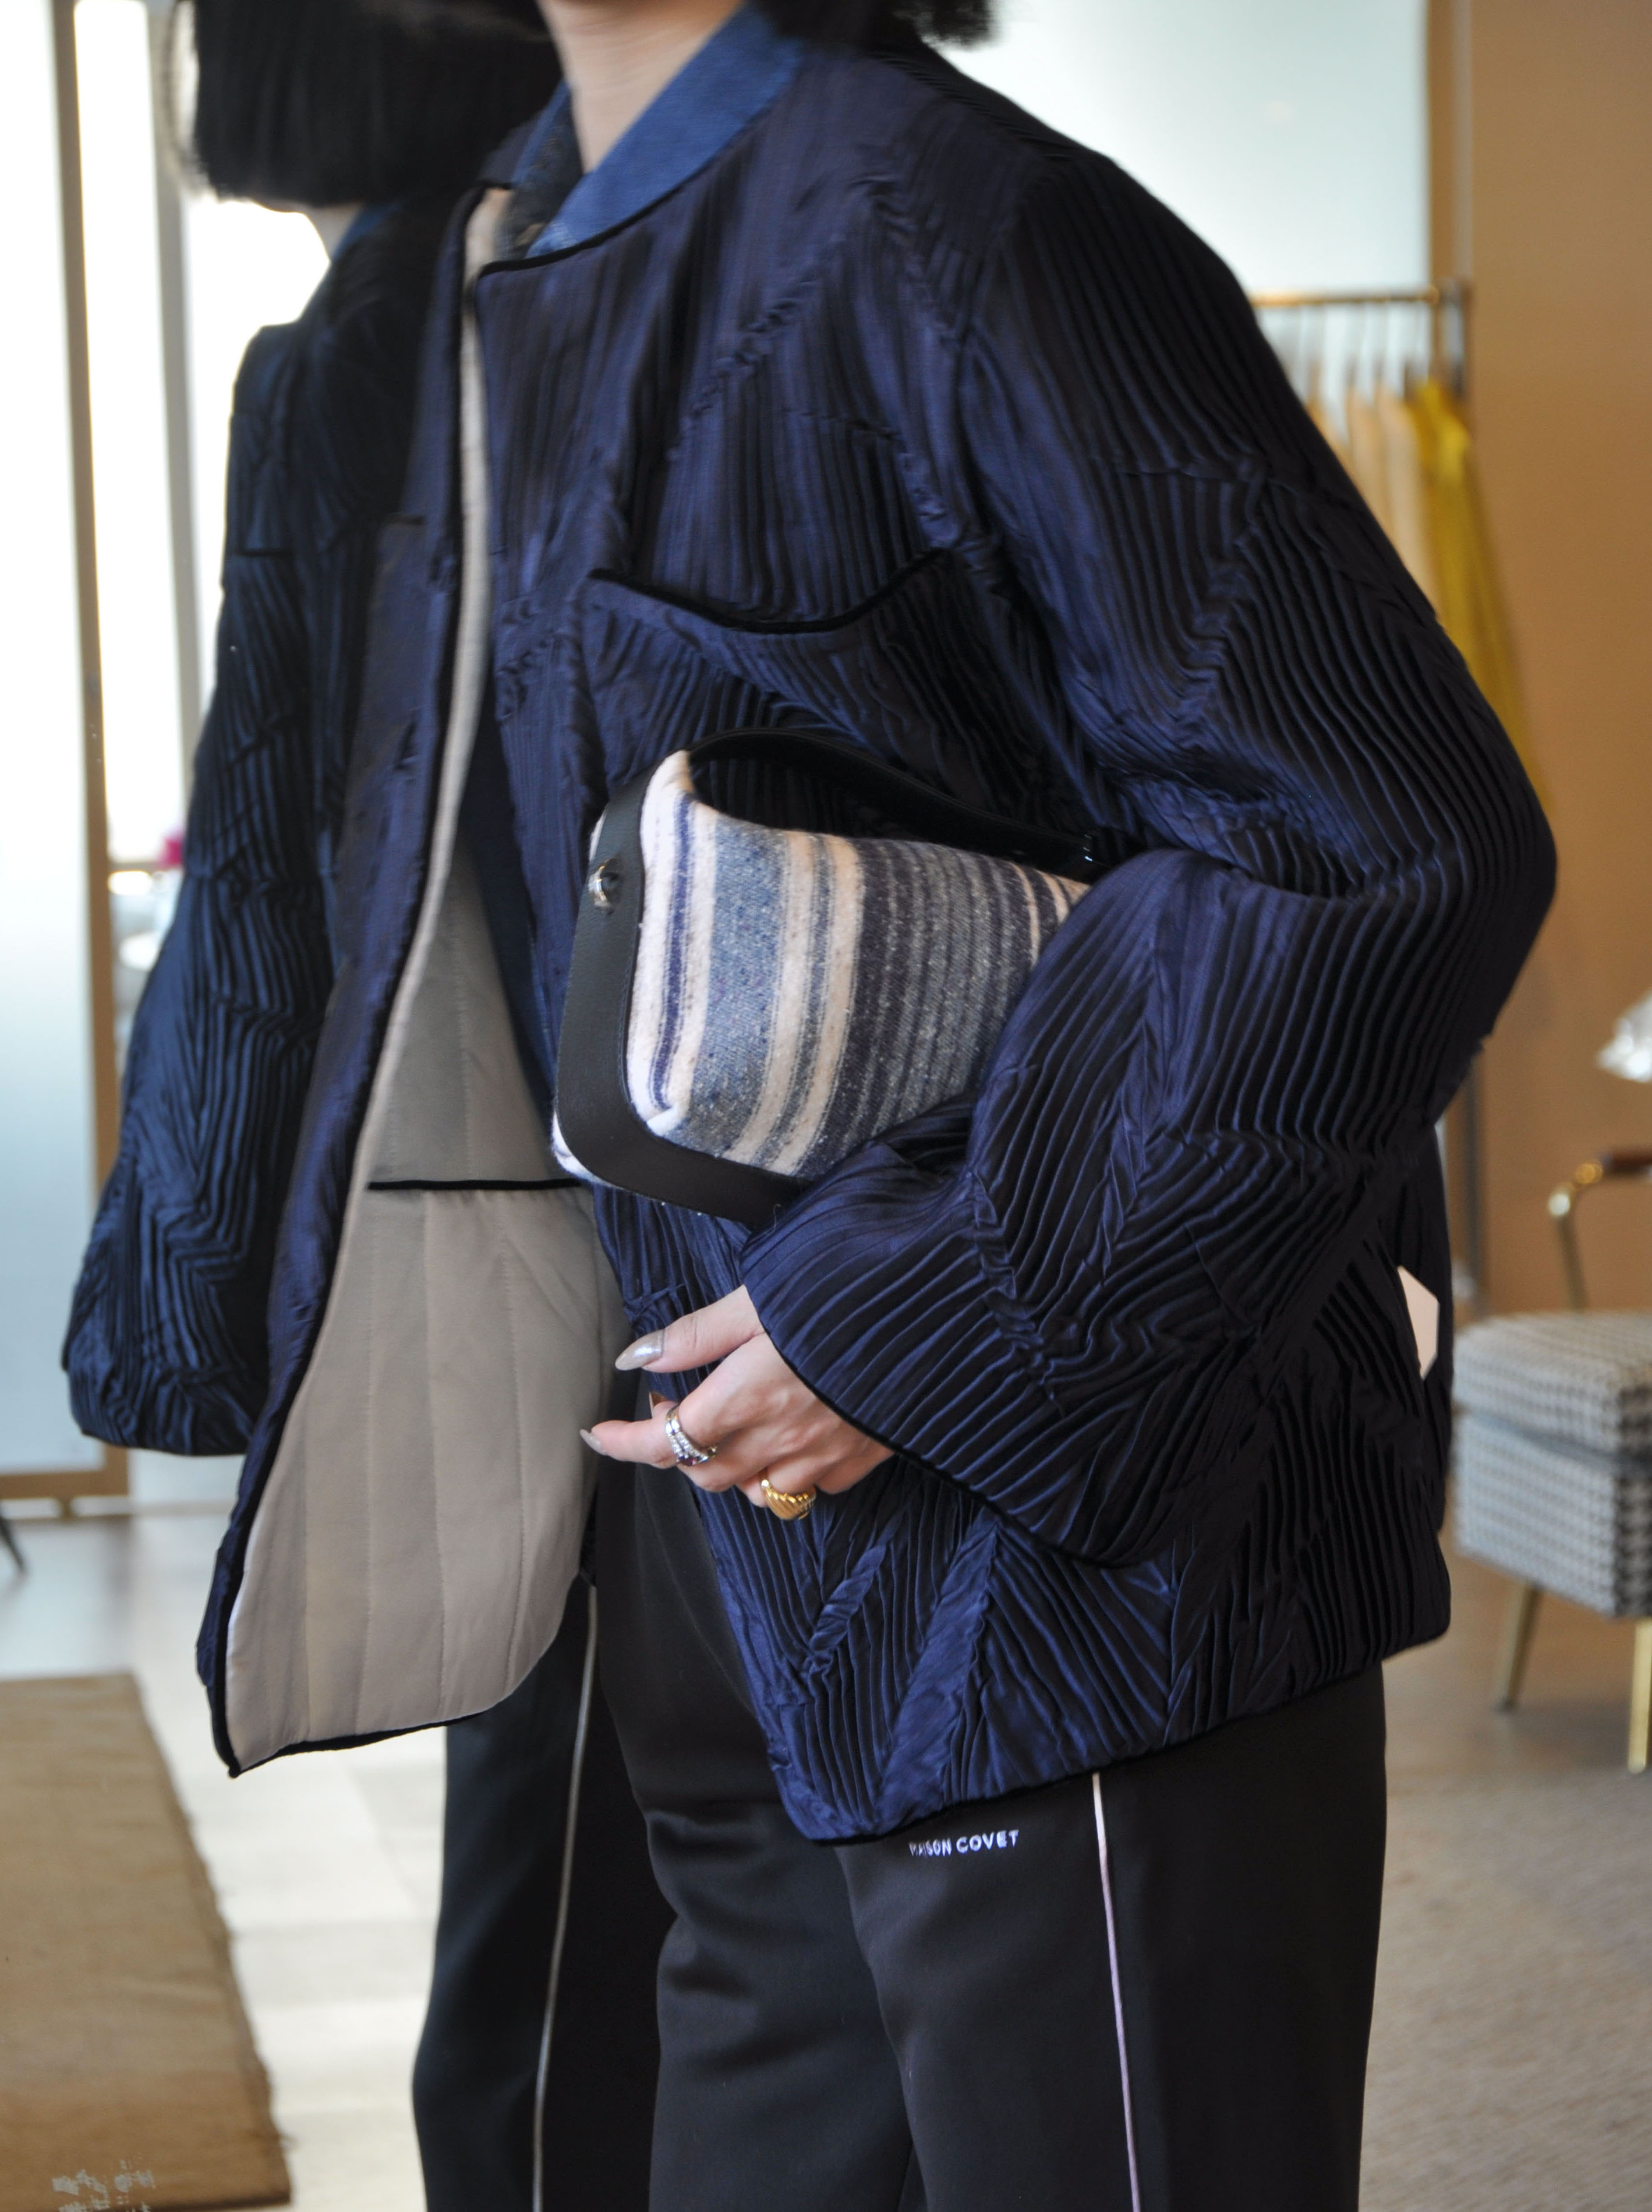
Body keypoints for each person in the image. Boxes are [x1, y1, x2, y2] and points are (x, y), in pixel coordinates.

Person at [190, 0, 1557, 2206]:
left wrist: (910, 1318)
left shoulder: (969, 229)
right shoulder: (515, 261)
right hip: (719, 1551)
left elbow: (1377, 840)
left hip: (1065, 1571)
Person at [63, 6, 667, 2206]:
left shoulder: (400, 328)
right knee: (619, 1835)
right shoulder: (577, 254)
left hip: (521, 1168)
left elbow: (277, 858)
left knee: (563, 1838)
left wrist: (205, 1257)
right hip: (655, 1146)